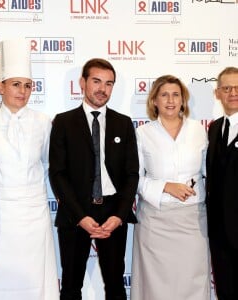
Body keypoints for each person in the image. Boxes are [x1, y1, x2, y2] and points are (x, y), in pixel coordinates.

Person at [0, 39, 59, 300]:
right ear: (0, 87)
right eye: (15, 84)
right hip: (0, 215)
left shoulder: (44, 122)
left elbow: (49, 165)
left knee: (36, 280)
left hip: (34, 214)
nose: (22, 91)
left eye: (28, 85)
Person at [49, 58, 139, 300]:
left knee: (116, 286)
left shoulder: (123, 123)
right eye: (97, 81)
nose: (103, 89)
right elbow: (57, 174)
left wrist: (119, 216)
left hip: (112, 212)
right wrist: (80, 217)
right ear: (82, 82)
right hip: (76, 213)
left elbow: (132, 174)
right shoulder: (63, 122)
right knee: (70, 286)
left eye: (109, 83)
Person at [131, 75, 211, 300]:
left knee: (192, 282)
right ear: (154, 100)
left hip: (193, 220)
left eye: (176, 94)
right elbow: (133, 180)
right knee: (156, 286)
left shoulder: (198, 130)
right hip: (155, 223)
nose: (170, 100)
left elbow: (208, 170)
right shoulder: (142, 133)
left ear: (183, 100)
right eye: (164, 94)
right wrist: (166, 186)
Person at [206, 67, 238, 300]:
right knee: (225, 290)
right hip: (218, 230)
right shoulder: (214, 128)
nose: (233, 93)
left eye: (237, 88)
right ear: (218, 93)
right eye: (226, 88)